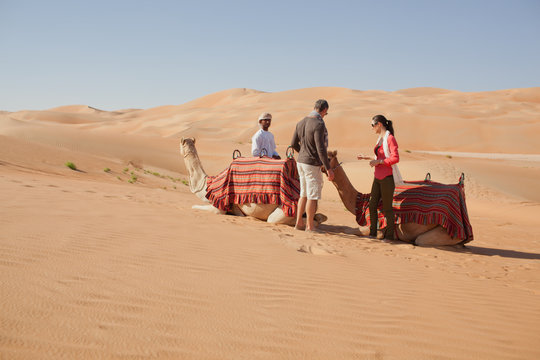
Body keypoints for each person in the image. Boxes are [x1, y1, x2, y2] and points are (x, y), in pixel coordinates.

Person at [291, 99, 334, 232]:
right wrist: (328, 168)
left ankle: (299, 223)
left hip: (301, 162)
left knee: (303, 193)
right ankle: (309, 226)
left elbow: (293, 144)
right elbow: (320, 148)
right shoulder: (319, 123)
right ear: (324, 110)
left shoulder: (301, 122)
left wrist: (303, 153)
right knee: (312, 195)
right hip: (311, 164)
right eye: (325, 113)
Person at [357, 115, 402, 240]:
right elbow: (379, 156)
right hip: (377, 177)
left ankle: (389, 236)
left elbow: (395, 158)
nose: (372, 128)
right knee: (372, 205)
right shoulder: (380, 139)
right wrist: (366, 157)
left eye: (373, 125)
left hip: (387, 178)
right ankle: (372, 233)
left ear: (379, 124)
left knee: (387, 208)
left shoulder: (390, 138)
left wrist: (380, 162)